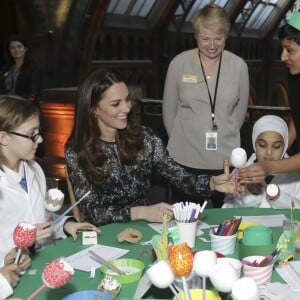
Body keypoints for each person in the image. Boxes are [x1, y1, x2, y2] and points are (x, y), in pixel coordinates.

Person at [65, 68, 241, 227]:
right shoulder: (77, 151)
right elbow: (91, 212)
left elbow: (179, 177)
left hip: (145, 228)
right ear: (93, 109)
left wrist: (211, 183)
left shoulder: (145, 138)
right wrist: (141, 212)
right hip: (104, 234)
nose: (126, 108)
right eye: (115, 104)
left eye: (127, 99)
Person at [162, 4, 249, 207]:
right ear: (195, 36)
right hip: (184, 160)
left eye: (218, 38)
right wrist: (183, 140)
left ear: (226, 36)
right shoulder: (179, 64)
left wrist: (225, 134)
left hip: (224, 161)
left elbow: (239, 114)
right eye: (205, 38)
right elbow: (169, 112)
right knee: (185, 220)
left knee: (222, 222)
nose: (212, 45)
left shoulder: (238, 67)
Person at [0, 95, 100, 267]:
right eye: (32, 135)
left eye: (39, 132)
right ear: (4, 138)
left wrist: (64, 225)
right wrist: (19, 245)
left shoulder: (34, 169)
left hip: (40, 263)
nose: (40, 139)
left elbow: (41, 218)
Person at [238, 11, 300, 183]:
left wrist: (271, 166)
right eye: (282, 49)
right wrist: (282, 146)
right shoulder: (295, 76)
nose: (282, 57)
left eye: (290, 50)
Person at [223, 115, 300, 208]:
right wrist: (250, 194)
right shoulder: (241, 171)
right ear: (254, 144)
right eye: (262, 145)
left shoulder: (296, 175)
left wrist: (277, 196)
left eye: (276, 146)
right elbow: (228, 208)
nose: (269, 152)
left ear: (284, 147)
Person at [0, 35, 41, 104]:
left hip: (26, 108)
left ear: (25, 49)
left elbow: (33, 93)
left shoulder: (33, 67)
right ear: (9, 51)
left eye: (19, 46)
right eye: (12, 48)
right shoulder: (6, 68)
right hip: (7, 107)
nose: (16, 50)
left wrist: (22, 106)